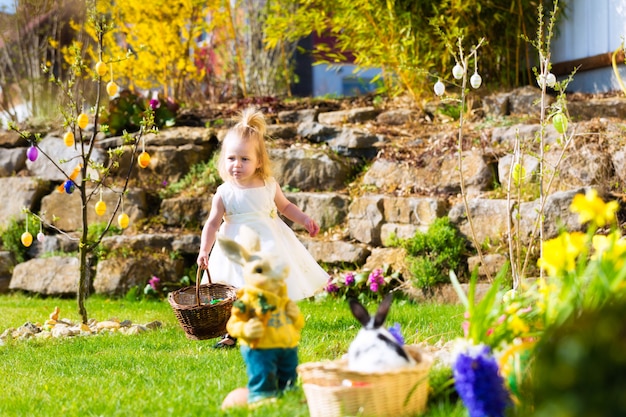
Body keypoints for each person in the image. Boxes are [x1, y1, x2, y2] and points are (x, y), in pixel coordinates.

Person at [196, 107, 329, 348]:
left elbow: (286, 207)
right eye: (231, 158)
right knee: (233, 291)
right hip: (234, 248)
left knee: (264, 286)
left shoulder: (268, 184)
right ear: (223, 159)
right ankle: (231, 333)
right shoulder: (225, 192)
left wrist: (305, 220)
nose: (237, 164)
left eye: (245, 159)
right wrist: (204, 250)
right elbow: (213, 223)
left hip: (267, 244)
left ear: (259, 162)